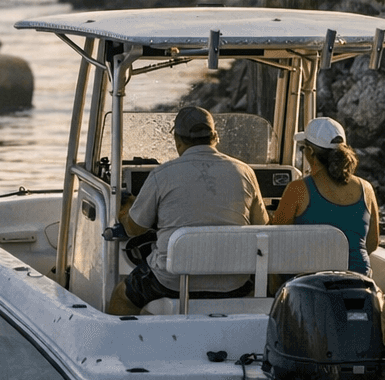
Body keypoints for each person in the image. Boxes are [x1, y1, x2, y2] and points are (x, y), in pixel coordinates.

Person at [107, 106, 269, 315]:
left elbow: (134, 229)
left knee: (122, 295)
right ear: (216, 137)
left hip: (172, 282)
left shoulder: (162, 175)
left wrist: (126, 211)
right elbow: (262, 226)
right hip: (233, 282)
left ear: (177, 141)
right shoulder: (244, 172)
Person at [271, 116, 380, 275]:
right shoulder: (366, 189)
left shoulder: (297, 189)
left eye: (303, 148)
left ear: (310, 152)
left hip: (310, 283)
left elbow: (276, 241)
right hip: (358, 282)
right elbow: (372, 243)